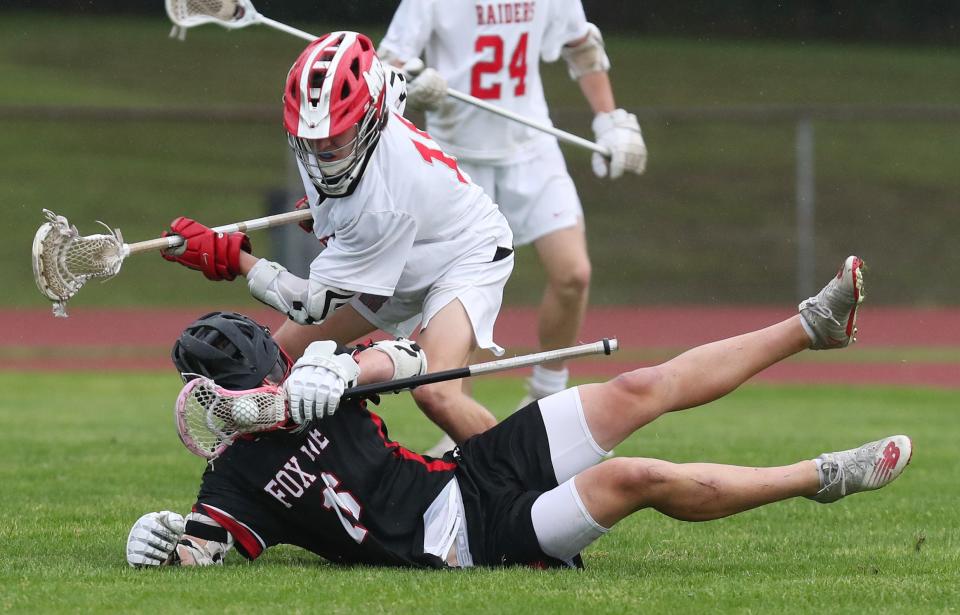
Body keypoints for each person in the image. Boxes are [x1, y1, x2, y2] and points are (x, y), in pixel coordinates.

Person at [127, 256, 912, 570]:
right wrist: (153, 542)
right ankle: (821, 476)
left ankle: (812, 325)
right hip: (470, 542)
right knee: (634, 477)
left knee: (635, 388)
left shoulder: (315, 385)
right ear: (217, 407)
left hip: (471, 471)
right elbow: (202, 554)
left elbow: (416, 361)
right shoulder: (230, 482)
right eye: (264, 379)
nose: (283, 377)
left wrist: (344, 366)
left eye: (282, 366)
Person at [159, 32, 515, 447]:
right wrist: (330, 216)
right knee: (275, 368)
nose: (322, 150)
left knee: (435, 389)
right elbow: (395, 84)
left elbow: (311, 305)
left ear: (368, 116)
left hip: (464, 254)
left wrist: (231, 257)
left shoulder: (381, 205)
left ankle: (521, 486)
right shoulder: (350, 110)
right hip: (399, 251)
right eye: (312, 137)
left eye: (337, 135)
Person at [378, 0, 648, 417]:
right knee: (453, 294)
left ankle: (546, 395)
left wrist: (610, 120)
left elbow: (582, 46)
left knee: (574, 273)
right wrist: (410, 81)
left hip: (532, 150)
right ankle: (458, 420)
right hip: (457, 156)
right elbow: (385, 65)